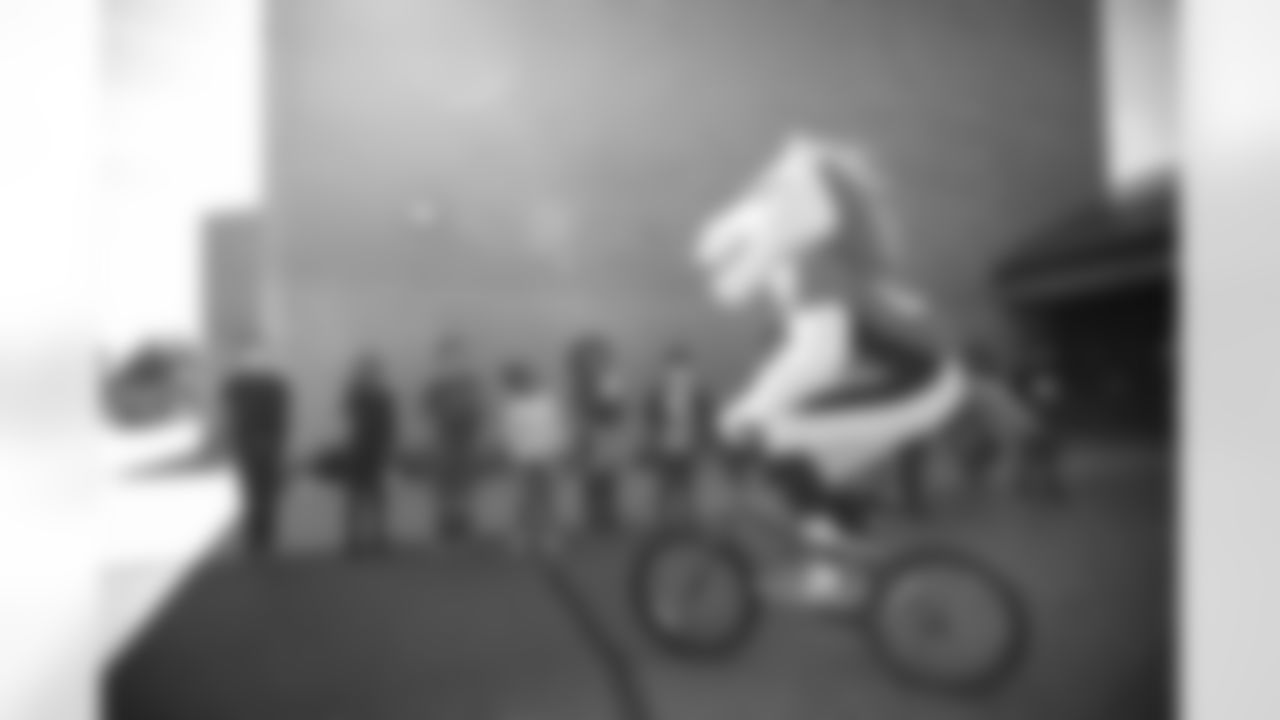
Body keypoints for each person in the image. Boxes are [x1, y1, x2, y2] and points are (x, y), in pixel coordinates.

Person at [694, 134, 972, 597]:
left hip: (922, 387)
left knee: (773, 433)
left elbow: (820, 358)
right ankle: (846, 542)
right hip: (931, 381)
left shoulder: (814, 261)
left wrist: (748, 411)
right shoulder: (839, 259)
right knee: (800, 466)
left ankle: (834, 566)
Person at [222, 344, 292, 558]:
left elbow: (279, 420)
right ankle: (259, 545)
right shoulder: (258, 387)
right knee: (258, 498)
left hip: (259, 447)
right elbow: (235, 415)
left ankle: (260, 545)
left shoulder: (258, 387)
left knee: (260, 497)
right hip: (257, 447)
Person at [494, 360, 571, 551]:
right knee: (530, 500)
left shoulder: (541, 402)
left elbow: (556, 428)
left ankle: (543, 538)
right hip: (529, 459)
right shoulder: (514, 405)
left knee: (542, 499)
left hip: (541, 458)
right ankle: (526, 538)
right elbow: (507, 435)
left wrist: (558, 451)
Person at [421, 336, 487, 543]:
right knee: (448, 482)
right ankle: (449, 523)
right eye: (449, 354)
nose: (453, 359)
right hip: (446, 439)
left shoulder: (468, 382)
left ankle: (461, 522)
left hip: (464, 438)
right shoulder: (439, 384)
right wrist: (447, 414)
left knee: (463, 481)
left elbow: (478, 409)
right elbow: (428, 407)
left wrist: (467, 420)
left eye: (455, 354)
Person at [565, 335, 633, 535]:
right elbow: (587, 410)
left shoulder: (606, 378)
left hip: (603, 433)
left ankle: (605, 518)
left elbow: (616, 409)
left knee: (606, 478)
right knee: (595, 479)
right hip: (593, 434)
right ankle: (599, 519)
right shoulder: (583, 381)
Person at [642, 344, 718, 519]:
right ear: (666, 369)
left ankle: (689, 520)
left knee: (688, 487)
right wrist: (651, 441)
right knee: (665, 487)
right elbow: (649, 420)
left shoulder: (699, 394)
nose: (678, 373)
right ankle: (662, 521)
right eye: (674, 368)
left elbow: (706, 421)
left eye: (682, 368)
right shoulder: (657, 393)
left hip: (690, 446)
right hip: (664, 446)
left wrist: (706, 442)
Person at [338, 354, 398, 555]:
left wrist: (388, 447)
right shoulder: (361, 395)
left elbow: (389, 425)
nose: (370, 375)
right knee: (360, 496)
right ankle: (356, 541)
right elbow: (349, 412)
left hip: (373, 449)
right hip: (361, 449)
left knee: (374, 496)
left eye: (371, 371)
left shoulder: (378, 396)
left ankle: (376, 539)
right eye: (367, 371)